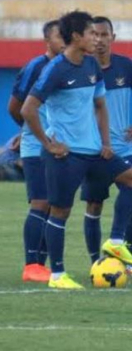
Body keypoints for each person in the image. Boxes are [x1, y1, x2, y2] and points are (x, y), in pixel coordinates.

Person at [21, 10, 132, 290]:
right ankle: (57, 275)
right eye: (91, 33)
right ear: (77, 37)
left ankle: (114, 242)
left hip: (93, 151)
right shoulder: (55, 69)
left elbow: (100, 105)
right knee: (60, 212)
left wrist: (106, 144)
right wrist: (48, 143)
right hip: (65, 154)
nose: (96, 39)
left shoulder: (91, 65)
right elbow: (29, 108)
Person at [77, 16, 132, 278]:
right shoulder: (81, 68)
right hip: (93, 152)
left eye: (104, 35)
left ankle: (125, 256)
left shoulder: (127, 67)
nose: (99, 40)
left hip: (124, 149)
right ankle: (97, 263)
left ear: (113, 38)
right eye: (94, 34)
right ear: (87, 37)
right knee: (94, 204)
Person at [7, 19, 64, 282]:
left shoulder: (66, 67)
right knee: (40, 202)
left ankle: (42, 265)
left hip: (58, 145)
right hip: (36, 145)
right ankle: (31, 264)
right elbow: (15, 107)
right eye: (57, 37)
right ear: (47, 41)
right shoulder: (36, 67)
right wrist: (28, 131)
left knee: (55, 205)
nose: (63, 41)